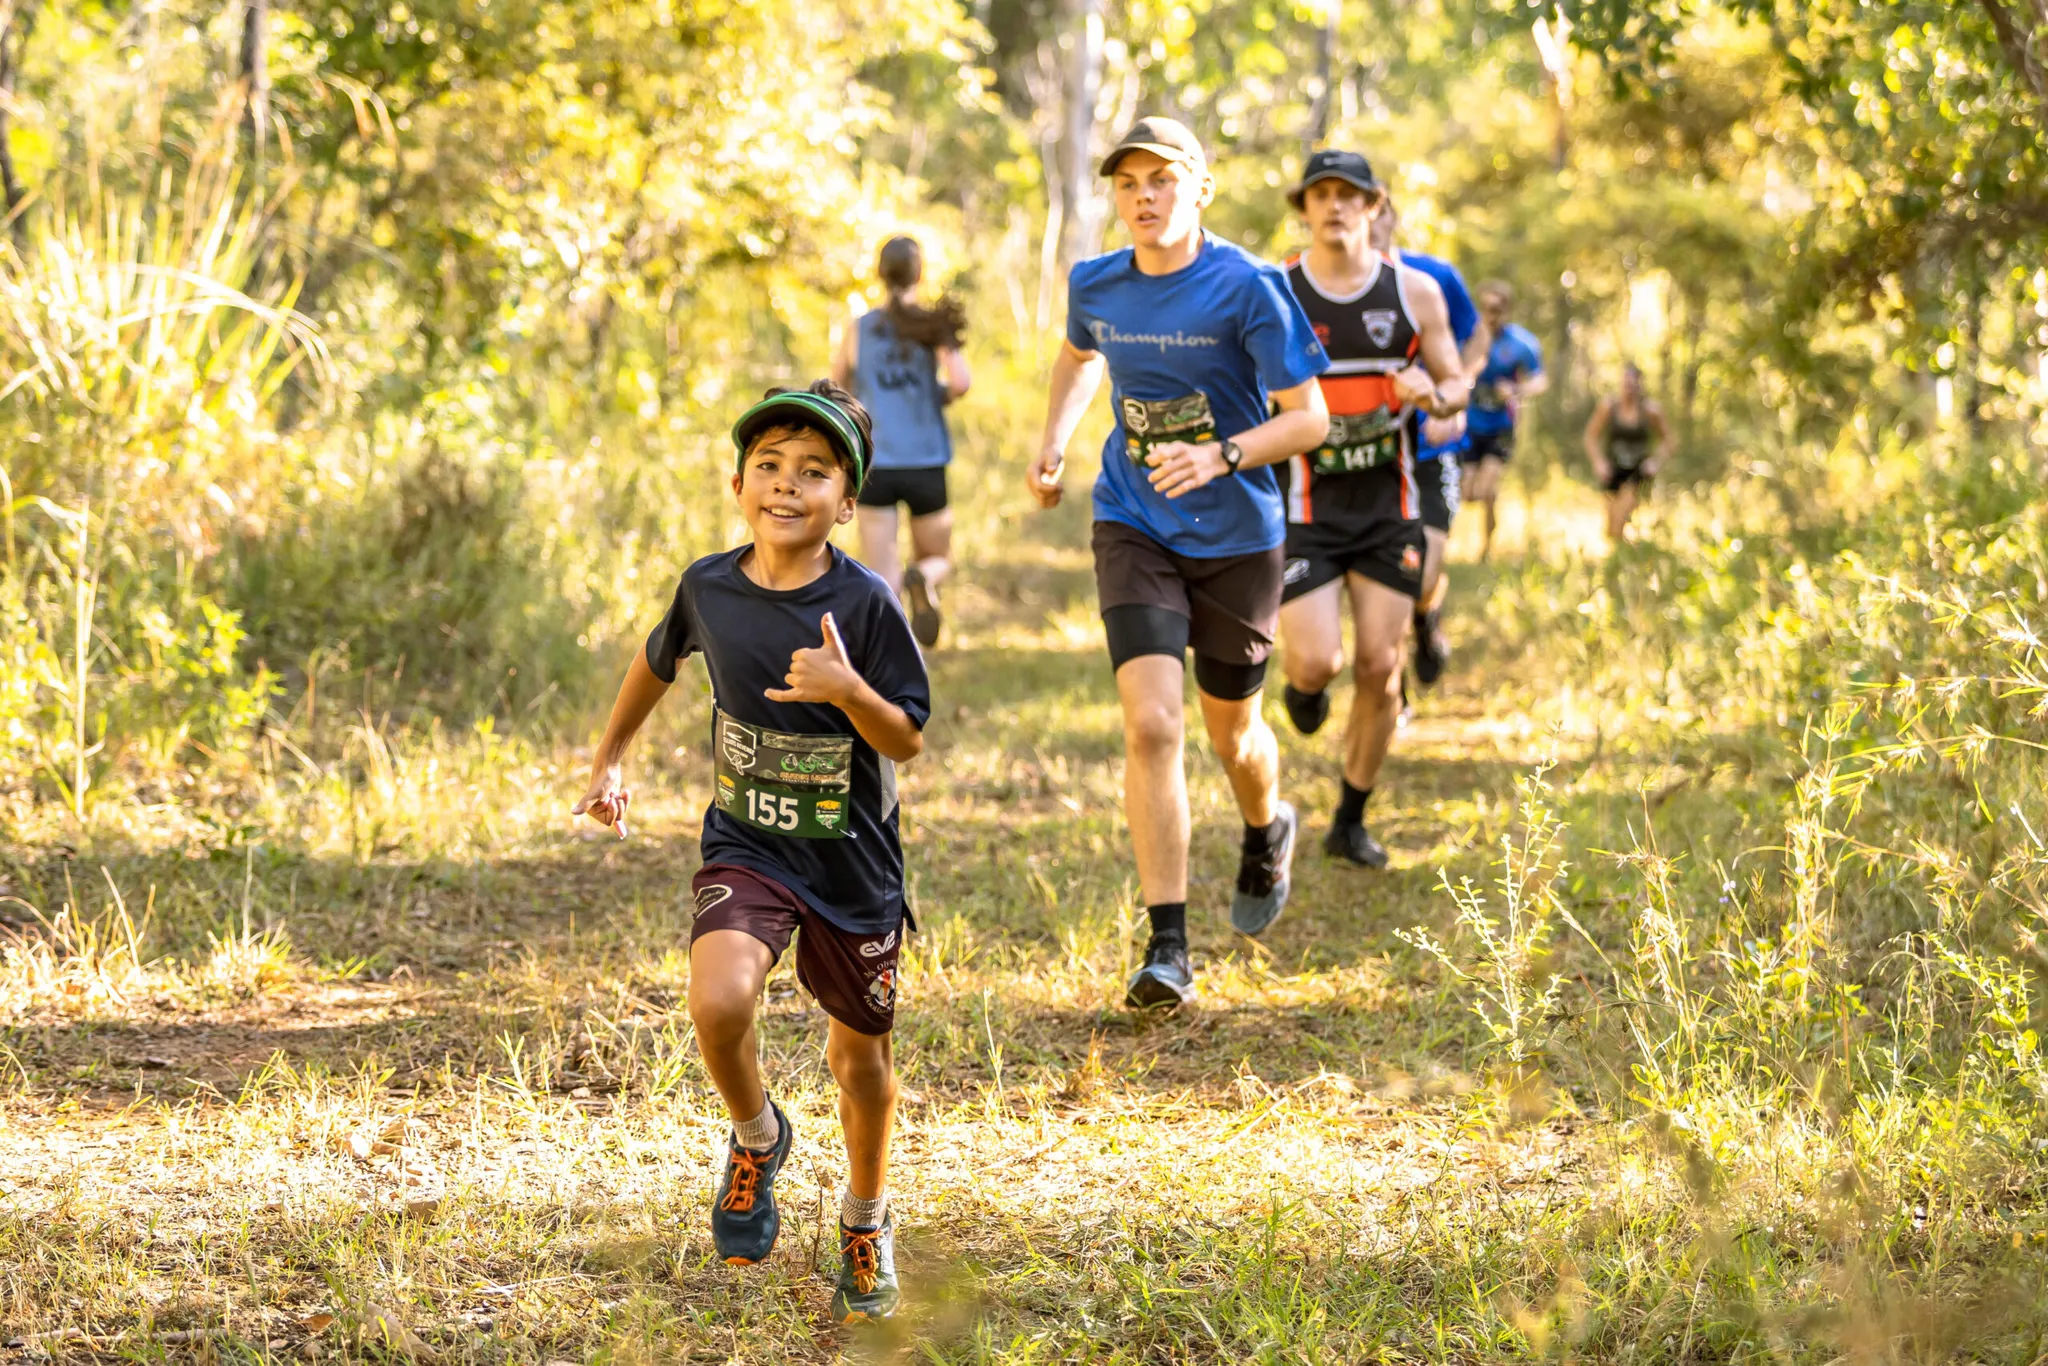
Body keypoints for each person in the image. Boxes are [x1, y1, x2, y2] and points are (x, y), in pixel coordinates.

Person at [572, 381, 929, 1323]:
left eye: (814, 472)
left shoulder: (866, 602)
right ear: (738, 484)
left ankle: (865, 1214)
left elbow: (906, 740)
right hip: (748, 843)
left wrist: (849, 688)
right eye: (768, 465)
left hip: (852, 867)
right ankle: (757, 1136)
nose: (786, 485)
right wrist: (610, 758)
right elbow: (658, 660)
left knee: (860, 1066)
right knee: (719, 998)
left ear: (845, 503)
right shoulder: (709, 587)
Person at [1026, 116, 1331, 1007]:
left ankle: (1266, 824)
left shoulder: (1250, 288)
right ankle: (1168, 948)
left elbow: (1309, 417)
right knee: (1153, 724)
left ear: (1200, 188)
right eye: (1128, 184)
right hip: (1134, 520)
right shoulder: (1099, 282)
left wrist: (1223, 454)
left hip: (1238, 534)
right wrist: (1053, 442)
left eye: (1162, 180)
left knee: (1233, 733)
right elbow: (1081, 355)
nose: (1144, 197)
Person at [1274, 150, 1470, 867]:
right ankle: (1303, 686)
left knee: (1381, 666)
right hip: (1307, 508)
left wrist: (1433, 392)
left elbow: (1455, 388)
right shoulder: (1279, 292)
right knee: (1317, 660)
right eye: (1320, 194)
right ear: (1304, 208)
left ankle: (1350, 818)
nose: (1334, 207)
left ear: (1374, 205)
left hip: (1390, 508)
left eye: (1348, 195)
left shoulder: (1414, 293)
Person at [1366, 195, 1486, 688]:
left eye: (1378, 209)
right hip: (1370, 460)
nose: (1368, 221)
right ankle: (1393, 696)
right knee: (1384, 580)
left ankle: (1426, 618)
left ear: (1392, 216)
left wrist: (1453, 397)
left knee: (1423, 573)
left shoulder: (1431, 277)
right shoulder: (1317, 285)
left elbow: (1475, 340)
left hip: (1432, 452)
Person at [832, 235, 971, 647]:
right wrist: (937, 393)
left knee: (882, 574)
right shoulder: (933, 325)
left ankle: (896, 659)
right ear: (920, 273)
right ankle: (923, 578)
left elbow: (837, 384)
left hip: (876, 460)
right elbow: (961, 382)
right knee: (937, 557)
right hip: (926, 460)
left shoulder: (859, 328)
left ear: (880, 273)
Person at [1462, 282, 1548, 560]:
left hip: (1501, 426)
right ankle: (1481, 530)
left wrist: (1515, 390)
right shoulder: (1468, 338)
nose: (1491, 315)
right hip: (1472, 424)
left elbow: (1539, 379)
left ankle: (1486, 548)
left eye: (1497, 309)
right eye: (1485, 308)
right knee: (1468, 493)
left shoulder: (1521, 343)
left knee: (1487, 488)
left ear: (1507, 310)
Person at [1584, 362, 1673, 543]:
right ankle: (1622, 558)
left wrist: (1655, 462)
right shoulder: (1609, 407)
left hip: (1638, 472)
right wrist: (1599, 463)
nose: (1629, 388)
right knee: (1611, 529)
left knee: (1621, 516)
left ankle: (1626, 559)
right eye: (1625, 383)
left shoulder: (1650, 410)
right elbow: (1590, 437)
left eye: (1633, 384)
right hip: (1613, 470)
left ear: (1640, 385)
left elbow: (1669, 440)